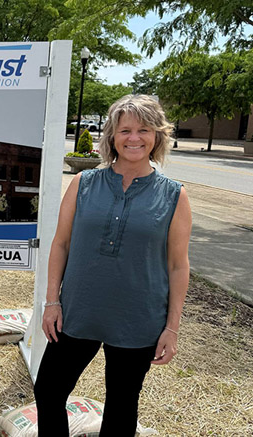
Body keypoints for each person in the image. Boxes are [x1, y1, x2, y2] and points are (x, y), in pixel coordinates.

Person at [33, 95, 192, 435]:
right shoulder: (83, 184)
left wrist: (172, 327)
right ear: (112, 137)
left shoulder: (174, 195)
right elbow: (60, 243)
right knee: (48, 391)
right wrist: (51, 301)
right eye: (125, 130)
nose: (134, 138)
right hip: (77, 311)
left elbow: (179, 265)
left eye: (144, 130)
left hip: (138, 321)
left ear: (157, 137)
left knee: (121, 407)